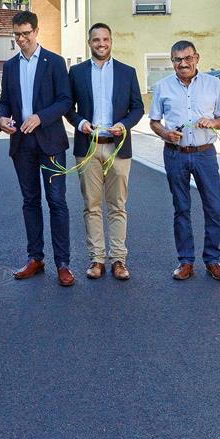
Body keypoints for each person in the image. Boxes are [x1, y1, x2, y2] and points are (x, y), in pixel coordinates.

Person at [0, 11, 75, 286]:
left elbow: (65, 100)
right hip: (22, 144)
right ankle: (35, 258)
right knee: (30, 202)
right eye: (17, 34)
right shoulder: (9, 67)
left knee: (56, 202)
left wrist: (41, 117)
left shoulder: (54, 62)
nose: (21, 39)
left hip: (51, 142)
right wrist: (2, 119)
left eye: (26, 33)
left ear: (36, 31)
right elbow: (5, 102)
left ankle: (63, 264)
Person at [149, 40, 220, 282]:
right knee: (181, 209)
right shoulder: (162, 87)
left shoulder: (214, 84)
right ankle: (186, 261)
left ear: (196, 58)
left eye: (187, 58)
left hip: (205, 153)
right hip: (175, 154)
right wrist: (165, 132)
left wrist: (213, 122)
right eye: (177, 60)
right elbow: (154, 121)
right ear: (172, 61)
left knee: (214, 208)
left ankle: (213, 260)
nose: (183, 64)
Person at [66, 23, 144, 281]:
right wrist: (80, 123)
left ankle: (119, 259)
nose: (101, 44)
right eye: (96, 40)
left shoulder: (126, 72)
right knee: (92, 205)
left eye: (106, 39)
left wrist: (125, 124)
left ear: (111, 41)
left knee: (118, 205)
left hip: (118, 148)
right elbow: (69, 108)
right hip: (88, 147)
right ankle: (97, 259)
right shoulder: (76, 72)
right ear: (89, 43)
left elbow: (137, 108)